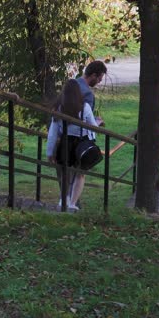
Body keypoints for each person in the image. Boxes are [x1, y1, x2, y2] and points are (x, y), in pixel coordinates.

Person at [45, 79, 100, 211]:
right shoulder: (84, 107)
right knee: (80, 174)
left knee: (65, 173)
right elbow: (93, 127)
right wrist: (97, 125)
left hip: (65, 144)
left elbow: (52, 133)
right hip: (80, 144)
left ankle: (64, 200)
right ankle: (73, 204)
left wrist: (50, 152)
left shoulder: (59, 108)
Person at [76, 61, 107, 125]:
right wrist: (97, 122)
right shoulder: (88, 94)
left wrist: (94, 118)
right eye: (99, 79)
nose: (99, 82)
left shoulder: (71, 83)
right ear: (94, 75)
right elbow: (86, 119)